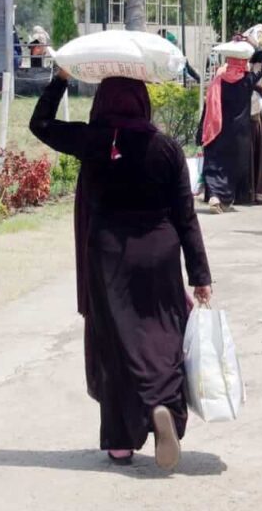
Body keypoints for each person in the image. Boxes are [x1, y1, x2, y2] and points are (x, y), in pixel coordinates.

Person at [29, 64, 212, 471]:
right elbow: (186, 217)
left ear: (103, 101)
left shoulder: (93, 140)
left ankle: (120, 442)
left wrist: (60, 80)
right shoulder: (166, 147)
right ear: (142, 101)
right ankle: (163, 404)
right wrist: (200, 275)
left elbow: (40, 124)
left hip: (109, 255)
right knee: (164, 334)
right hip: (160, 252)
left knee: (115, 343)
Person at [199, 40, 262, 213]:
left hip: (217, 130)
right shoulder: (248, 80)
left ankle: (215, 196)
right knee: (233, 167)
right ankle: (223, 198)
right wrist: (252, 44)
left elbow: (208, 107)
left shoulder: (218, 80)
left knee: (215, 163)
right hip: (239, 134)